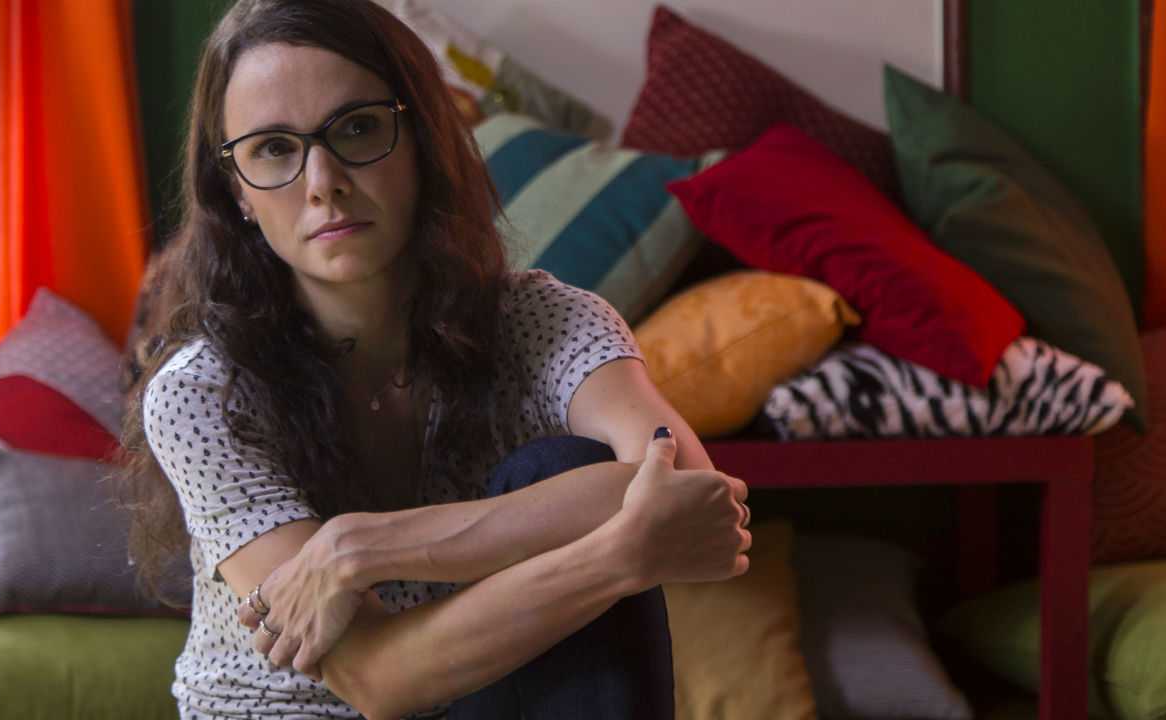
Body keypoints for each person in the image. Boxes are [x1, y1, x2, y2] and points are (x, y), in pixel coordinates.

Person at [118, 1, 752, 718]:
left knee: (562, 466)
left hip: (483, 702)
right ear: (235, 190)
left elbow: (692, 489)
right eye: (273, 149)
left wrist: (361, 547)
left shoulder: (542, 320)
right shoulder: (204, 393)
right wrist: (617, 555)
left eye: (358, 128)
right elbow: (379, 680)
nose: (322, 181)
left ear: (421, 140)